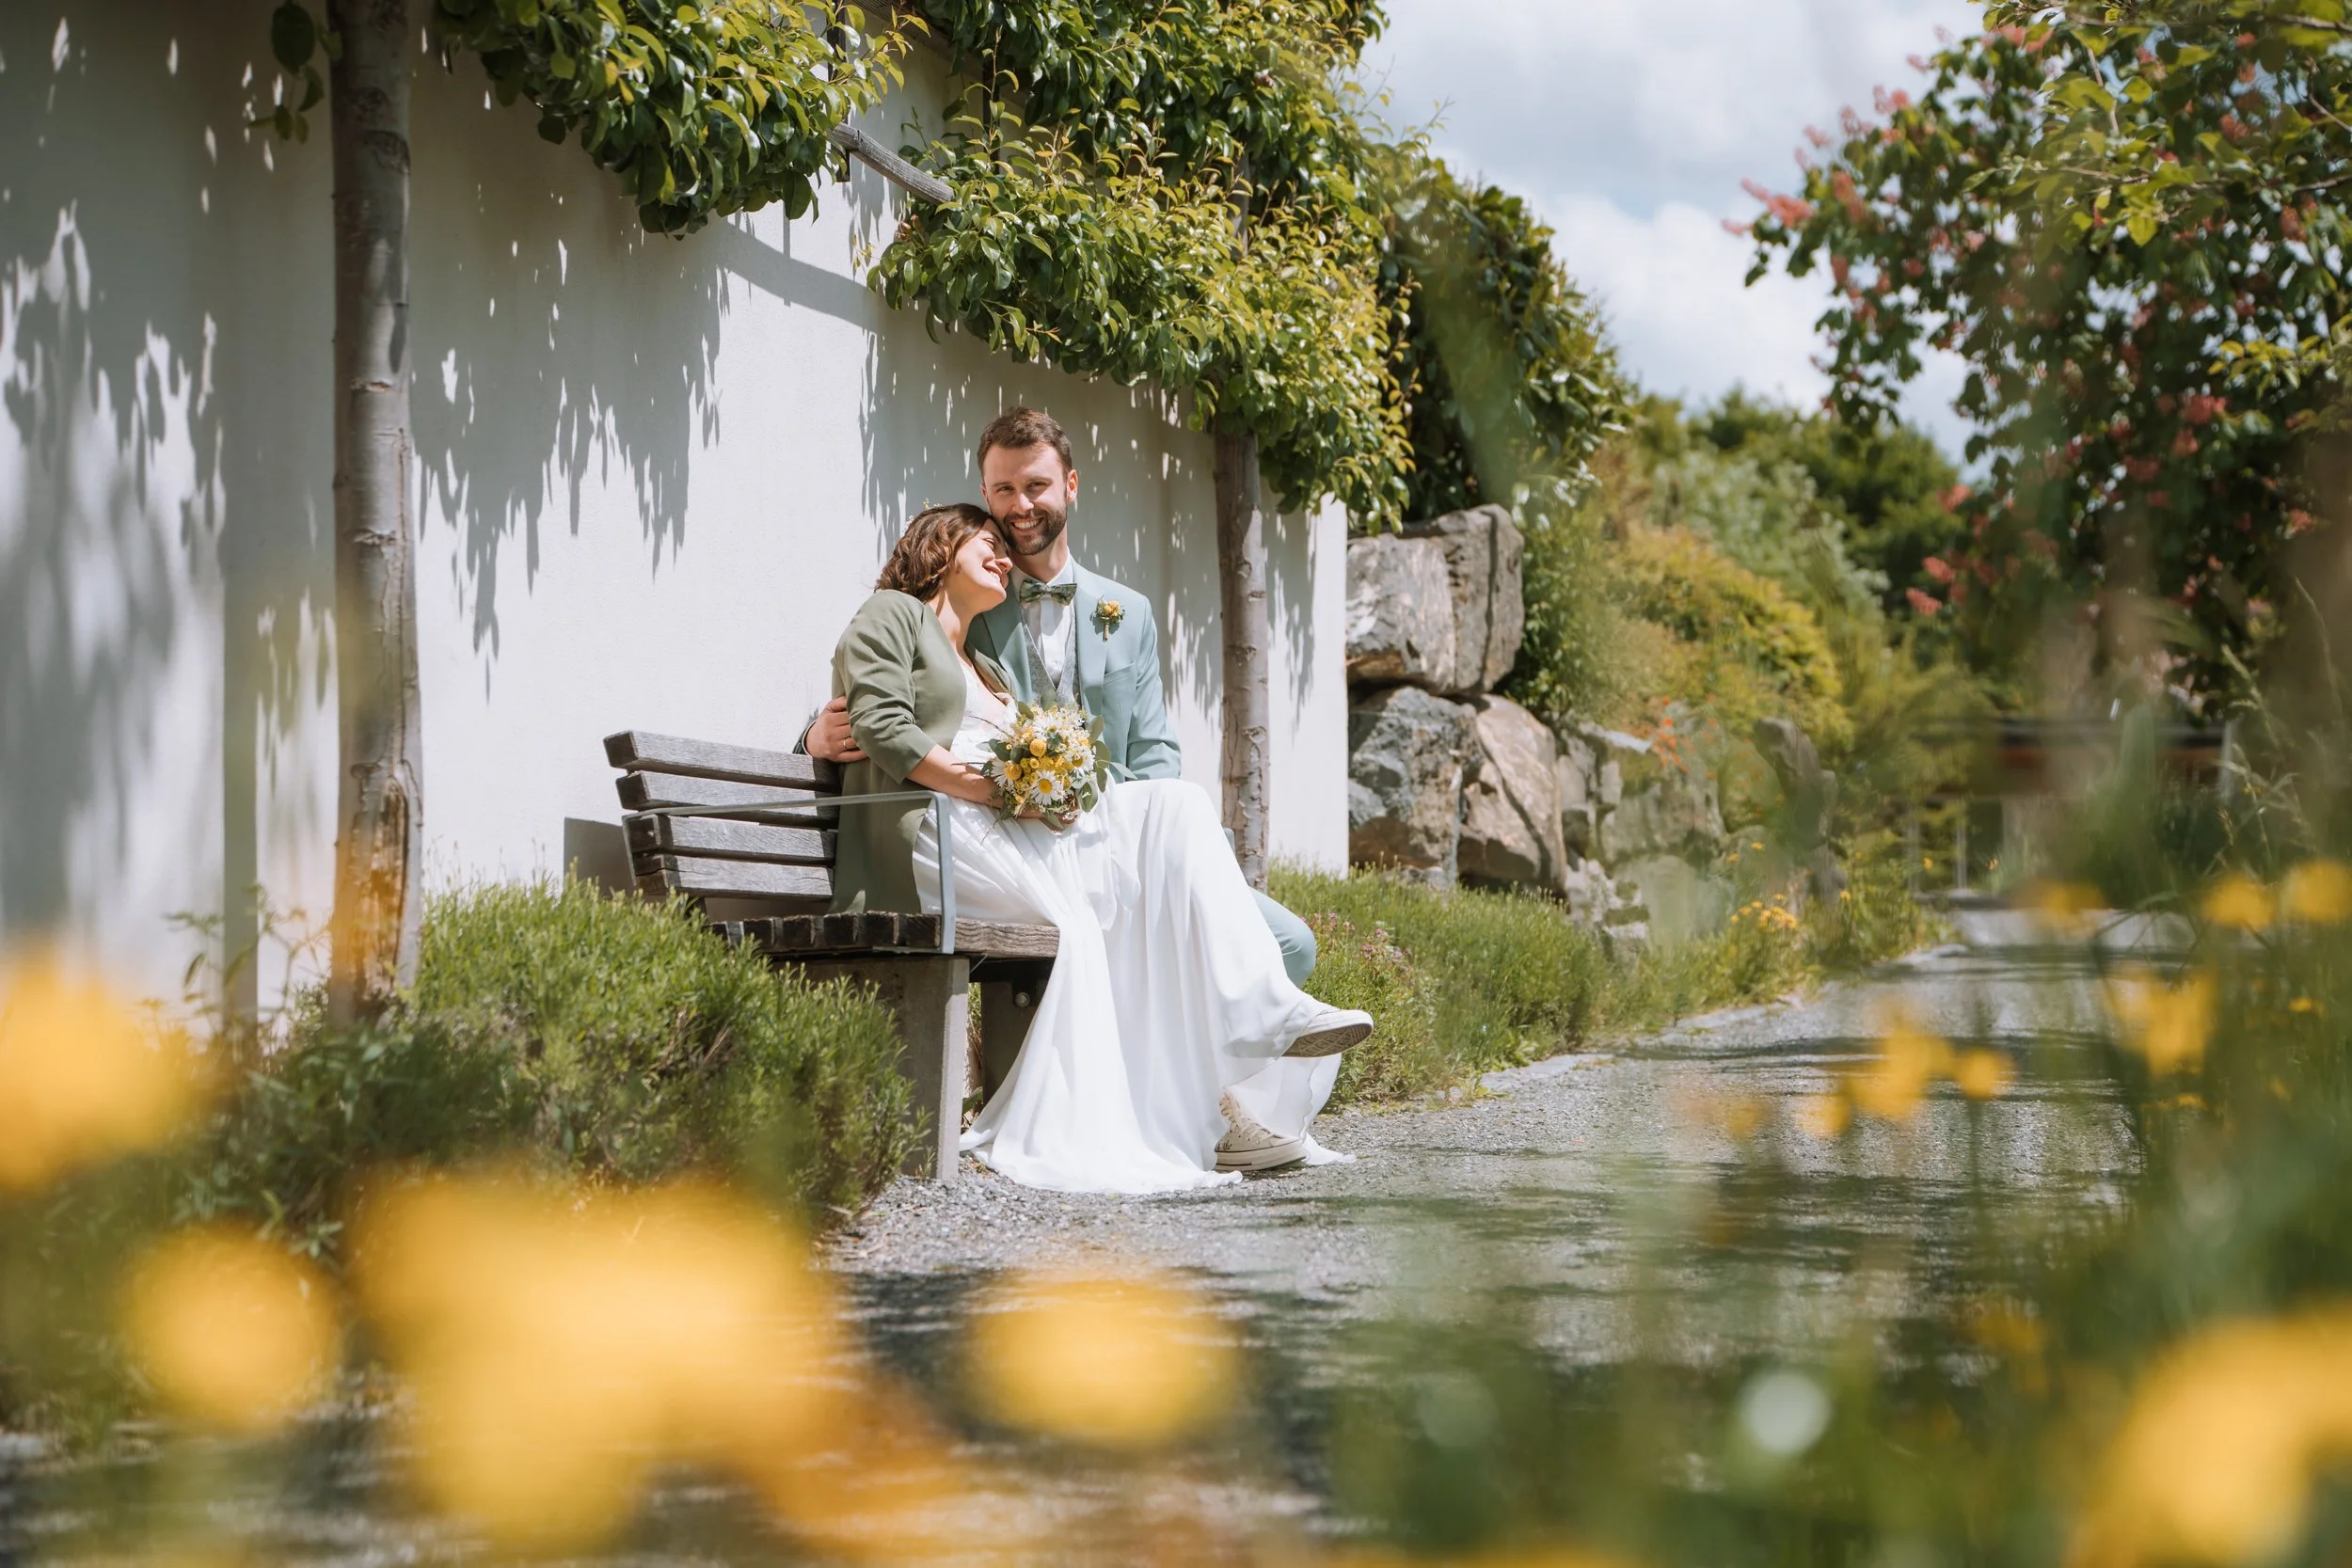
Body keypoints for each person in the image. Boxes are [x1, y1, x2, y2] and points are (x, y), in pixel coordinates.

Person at [807, 406, 1328, 1172]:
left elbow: (1154, 756)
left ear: (1071, 486)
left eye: (1036, 486)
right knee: (1112, 924)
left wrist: (1164, 844)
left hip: (1114, 827)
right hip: (1013, 834)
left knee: (1290, 941)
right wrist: (815, 739)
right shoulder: (969, 612)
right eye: (1001, 493)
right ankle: (1210, 1115)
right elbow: (884, 697)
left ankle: (1191, 1094)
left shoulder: (1131, 614)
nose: (1019, 508)